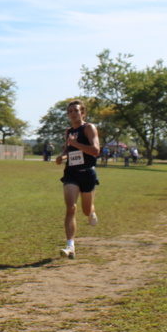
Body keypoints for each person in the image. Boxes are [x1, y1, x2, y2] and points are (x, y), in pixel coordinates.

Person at [54, 100, 100, 260]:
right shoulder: (68, 131)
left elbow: (95, 151)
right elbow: (69, 151)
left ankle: (91, 211)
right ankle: (70, 246)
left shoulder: (89, 128)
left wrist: (75, 143)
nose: (73, 113)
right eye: (70, 111)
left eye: (76, 110)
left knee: (85, 210)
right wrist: (62, 157)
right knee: (71, 208)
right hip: (71, 173)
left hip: (87, 174)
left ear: (83, 113)